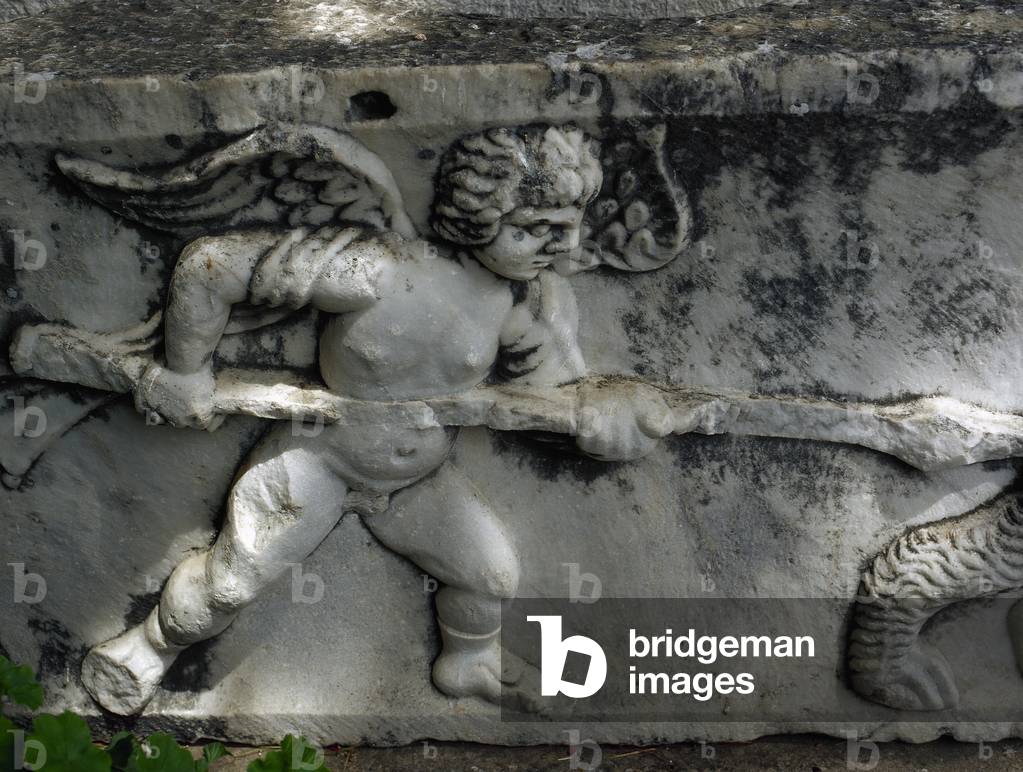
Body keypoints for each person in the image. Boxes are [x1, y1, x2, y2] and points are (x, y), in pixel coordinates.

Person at [81, 124, 673, 715]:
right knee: (233, 581)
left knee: (490, 576)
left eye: (567, 231)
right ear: (477, 218)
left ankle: (469, 662)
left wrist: (605, 423)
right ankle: (148, 646)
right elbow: (214, 265)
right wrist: (186, 371)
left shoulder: (530, 303)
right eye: (534, 230)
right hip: (319, 456)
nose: (560, 251)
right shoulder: (380, 269)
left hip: (418, 478)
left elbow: (547, 406)